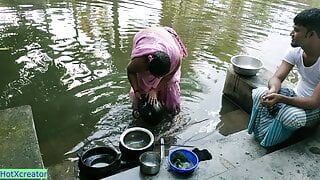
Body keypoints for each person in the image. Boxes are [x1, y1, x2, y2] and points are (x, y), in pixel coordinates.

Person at [248, 8, 320, 147]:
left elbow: (314, 102)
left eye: (297, 30)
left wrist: (281, 99)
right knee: (260, 93)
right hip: (296, 96)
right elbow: (277, 78)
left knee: (289, 116)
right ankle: (270, 132)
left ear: (311, 34)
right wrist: (273, 90)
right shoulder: (295, 52)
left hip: (315, 109)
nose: (291, 33)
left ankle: (269, 140)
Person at [127, 26, 188, 118]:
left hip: (166, 41)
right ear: (148, 69)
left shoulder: (175, 58)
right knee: (142, 86)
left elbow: (171, 75)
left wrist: (155, 89)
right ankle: (140, 107)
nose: (157, 79)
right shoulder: (141, 61)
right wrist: (136, 90)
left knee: (170, 85)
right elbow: (130, 71)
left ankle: (170, 111)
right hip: (147, 37)